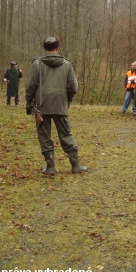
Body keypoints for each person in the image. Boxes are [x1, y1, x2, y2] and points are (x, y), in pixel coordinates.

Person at [25, 37, 87, 175]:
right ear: (57, 48)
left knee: (44, 135)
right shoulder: (67, 64)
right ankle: (75, 165)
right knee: (66, 134)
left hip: (42, 104)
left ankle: (50, 167)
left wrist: (29, 102)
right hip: (60, 104)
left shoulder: (37, 64)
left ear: (44, 48)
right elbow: (74, 86)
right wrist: (67, 99)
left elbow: (30, 86)